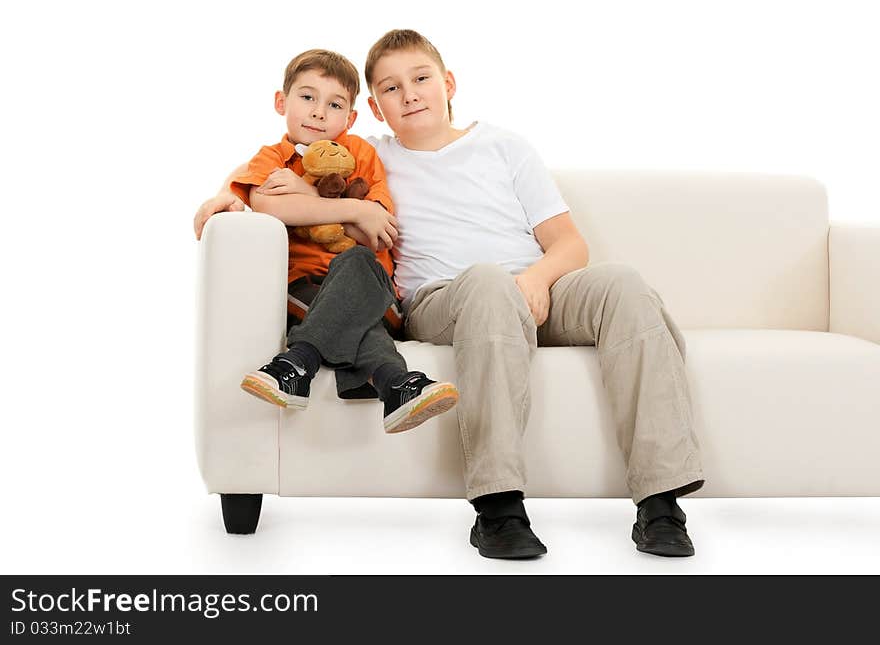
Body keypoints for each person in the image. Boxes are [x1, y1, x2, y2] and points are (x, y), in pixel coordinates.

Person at [196, 32, 705, 559]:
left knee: (624, 283)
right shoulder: (371, 155)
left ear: (448, 83)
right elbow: (274, 164)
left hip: (535, 287)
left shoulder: (505, 146)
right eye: (391, 88)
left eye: (421, 79)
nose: (410, 94)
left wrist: (533, 281)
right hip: (449, 299)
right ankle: (498, 505)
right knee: (486, 282)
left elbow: (569, 245)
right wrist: (222, 196)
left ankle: (661, 501)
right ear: (372, 109)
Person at [222, 48, 459, 434]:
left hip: (373, 289)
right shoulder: (273, 157)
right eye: (307, 97)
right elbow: (268, 205)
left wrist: (309, 197)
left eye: (334, 104)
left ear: (350, 117)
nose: (319, 112)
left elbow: (376, 232)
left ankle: (297, 362)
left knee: (358, 263)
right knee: (348, 315)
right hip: (305, 288)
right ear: (281, 102)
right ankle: (395, 383)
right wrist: (355, 209)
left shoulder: (360, 153)